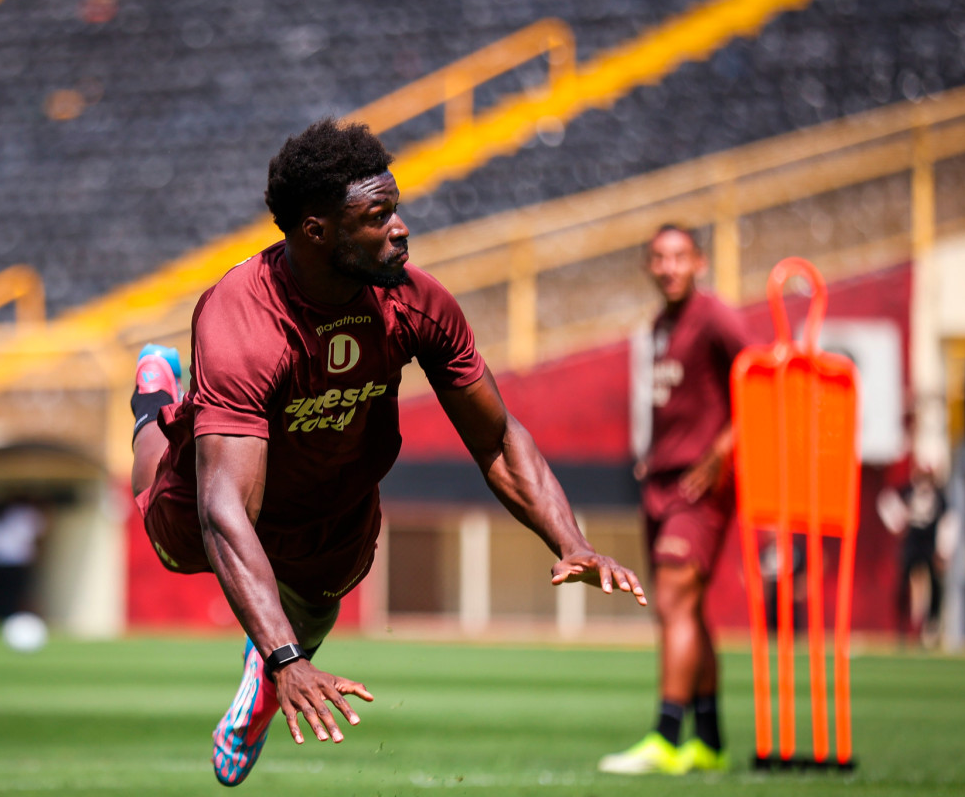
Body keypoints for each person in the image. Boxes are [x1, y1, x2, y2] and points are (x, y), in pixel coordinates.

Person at [128, 118, 647, 787]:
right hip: (228, 495)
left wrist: (570, 541)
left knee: (320, 603)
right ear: (316, 231)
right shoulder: (242, 319)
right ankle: (154, 397)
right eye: (378, 217)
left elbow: (494, 436)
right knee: (167, 534)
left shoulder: (417, 301)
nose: (400, 228)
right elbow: (225, 511)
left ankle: (266, 673)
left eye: (395, 208)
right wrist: (287, 659)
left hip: (338, 499)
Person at [599, 224, 748, 775]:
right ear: (648, 266)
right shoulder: (660, 324)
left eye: (680, 256)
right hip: (662, 482)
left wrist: (720, 453)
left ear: (700, 262)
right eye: (659, 258)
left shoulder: (715, 316)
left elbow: (762, 380)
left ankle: (665, 736)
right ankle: (708, 741)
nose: (669, 267)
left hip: (700, 486)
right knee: (687, 608)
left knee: (673, 604)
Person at [877, 463, 949, 648]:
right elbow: (886, 500)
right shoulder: (908, 492)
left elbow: (948, 521)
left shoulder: (939, 497)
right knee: (903, 583)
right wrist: (897, 522)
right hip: (912, 544)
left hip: (929, 545)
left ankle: (931, 627)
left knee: (935, 585)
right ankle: (902, 625)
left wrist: (943, 550)